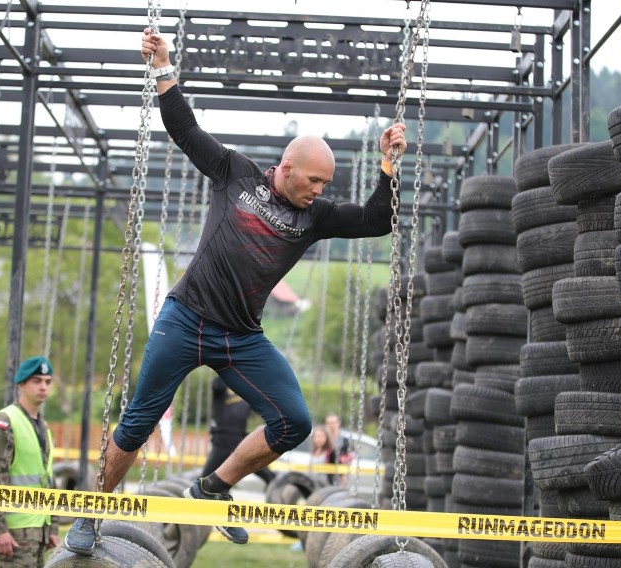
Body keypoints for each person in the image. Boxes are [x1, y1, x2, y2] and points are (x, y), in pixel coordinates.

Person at [64, 28, 407, 555]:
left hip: (240, 339)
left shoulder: (315, 217)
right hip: (184, 320)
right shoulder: (234, 173)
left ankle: (212, 487)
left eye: (326, 185)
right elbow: (184, 128)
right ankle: (89, 514)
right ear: (287, 168)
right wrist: (163, 66)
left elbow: (376, 220)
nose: (321, 192)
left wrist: (388, 165)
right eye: (314, 181)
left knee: (293, 421)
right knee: (136, 422)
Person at [0, 356, 61, 567]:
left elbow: (47, 479)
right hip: (13, 534)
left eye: (47, 381)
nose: (43, 387)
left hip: (38, 533)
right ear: (21, 384)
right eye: (36, 381)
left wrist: (51, 527)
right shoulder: (5, 421)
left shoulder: (43, 427)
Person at [201, 376, 275, 484]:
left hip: (240, 439)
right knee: (205, 479)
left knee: (265, 473)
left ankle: (277, 486)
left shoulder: (247, 388)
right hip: (222, 440)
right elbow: (217, 384)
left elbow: (261, 407)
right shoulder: (222, 383)